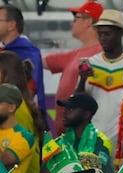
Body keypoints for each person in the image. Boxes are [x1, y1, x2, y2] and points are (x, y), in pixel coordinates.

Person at [43, 1, 104, 135]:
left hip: (84, 136)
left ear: (88, 22)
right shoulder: (74, 55)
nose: (72, 23)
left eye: (76, 19)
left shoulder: (102, 55)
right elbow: (38, 61)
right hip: (63, 136)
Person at [76, 9, 123, 152]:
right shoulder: (91, 63)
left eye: (107, 34)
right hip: (95, 134)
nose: (103, 38)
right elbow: (79, 101)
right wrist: (82, 79)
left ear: (120, 33)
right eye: (100, 34)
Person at [51, 92, 113, 173]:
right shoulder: (59, 142)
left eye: (71, 109)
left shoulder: (102, 142)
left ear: (86, 114)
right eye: (65, 108)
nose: (64, 112)